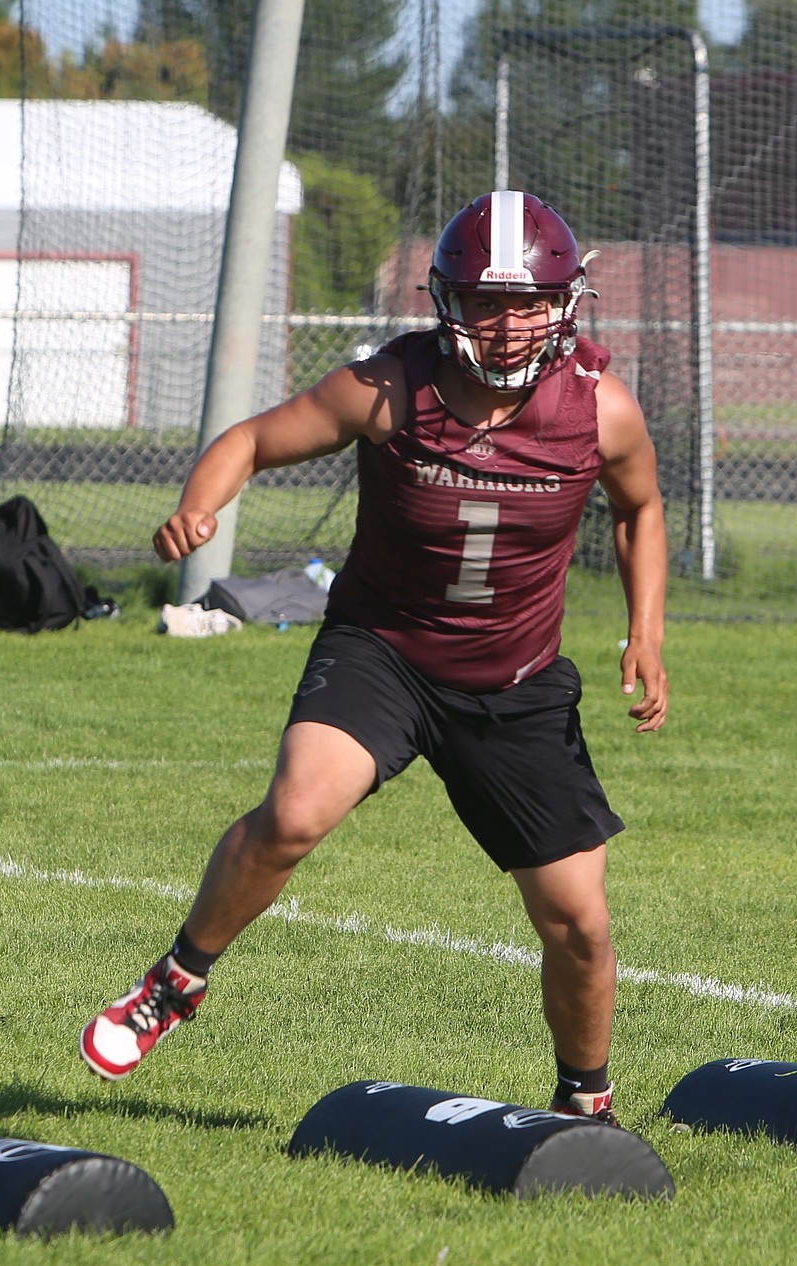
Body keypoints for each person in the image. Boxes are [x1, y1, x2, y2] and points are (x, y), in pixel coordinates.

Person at [80, 191, 668, 1124]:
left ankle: (583, 1101)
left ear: (564, 304)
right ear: (446, 302)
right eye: (483, 300)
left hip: (513, 684)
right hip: (384, 652)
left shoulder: (601, 409)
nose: (506, 323)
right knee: (293, 813)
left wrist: (647, 629)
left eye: (525, 302)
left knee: (580, 924)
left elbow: (638, 509)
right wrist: (202, 502)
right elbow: (251, 439)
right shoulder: (391, 387)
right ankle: (178, 979)